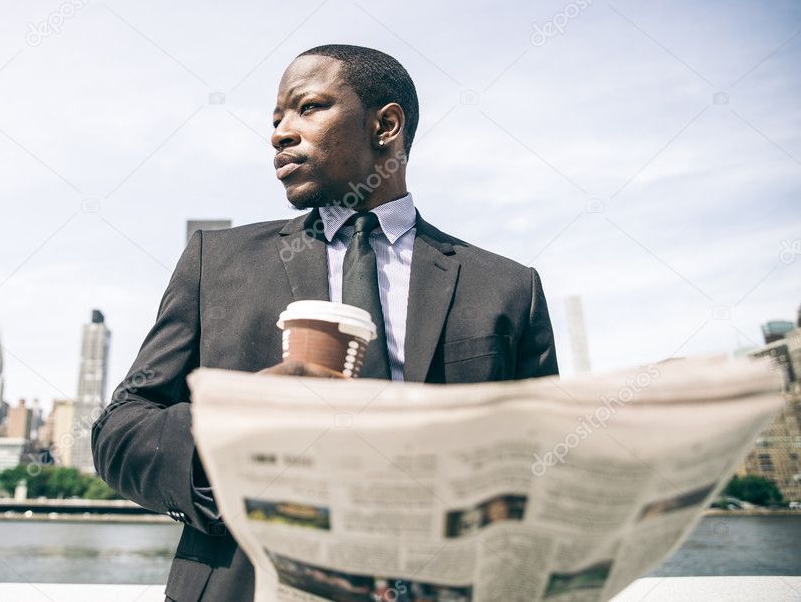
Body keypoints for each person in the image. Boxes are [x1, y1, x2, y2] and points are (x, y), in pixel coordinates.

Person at [92, 44, 559, 601]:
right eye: (275, 119)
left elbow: (543, 462)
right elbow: (120, 428)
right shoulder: (214, 262)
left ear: (385, 125)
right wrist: (228, 427)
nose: (280, 133)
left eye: (307, 107)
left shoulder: (508, 286)